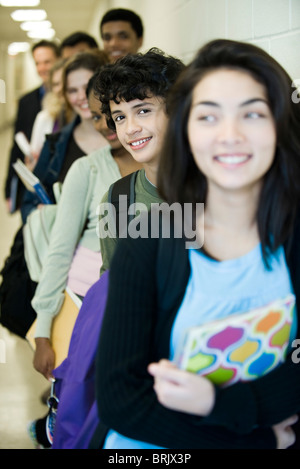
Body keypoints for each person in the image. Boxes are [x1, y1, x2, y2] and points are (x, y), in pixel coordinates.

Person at [93, 39, 300, 449]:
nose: (229, 135)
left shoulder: (290, 235)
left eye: (252, 114)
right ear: (187, 129)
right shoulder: (150, 237)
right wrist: (254, 441)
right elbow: (121, 397)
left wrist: (216, 402)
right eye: (208, 116)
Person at [27, 70, 142, 449]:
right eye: (100, 116)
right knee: (82, 416)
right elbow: (59, 252)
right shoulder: (89, 170)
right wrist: (44, 330)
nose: (110, 125)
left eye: (119, 113)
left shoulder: (174, 174)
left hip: (139, 315)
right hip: (83, 309)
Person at [94, 48, 185, 275]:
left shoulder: (219, 191)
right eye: (120, 117)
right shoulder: (117, 203)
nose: (131, 128)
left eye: (143, 111)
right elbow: (114, 290)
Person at [21, 51, 108, 224]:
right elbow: (29, 204)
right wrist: (41, 214)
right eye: (72, 91)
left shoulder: (126, 139)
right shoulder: (55, 145)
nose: (82, 97)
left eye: (88, 86)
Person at [5, 40, 60, 212]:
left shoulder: (70, 100)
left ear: (59, 60)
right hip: (34, 179)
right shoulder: (26, 101)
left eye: (47, 62)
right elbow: (16, 146)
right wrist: (9, 190)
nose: (42, 68)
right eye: (38, 63)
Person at [29, 58, 70, 166]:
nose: (60, 88)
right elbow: (33, 154)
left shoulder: (84, 117)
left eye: (64, 82)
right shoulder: (44, 117)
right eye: (56, 84)